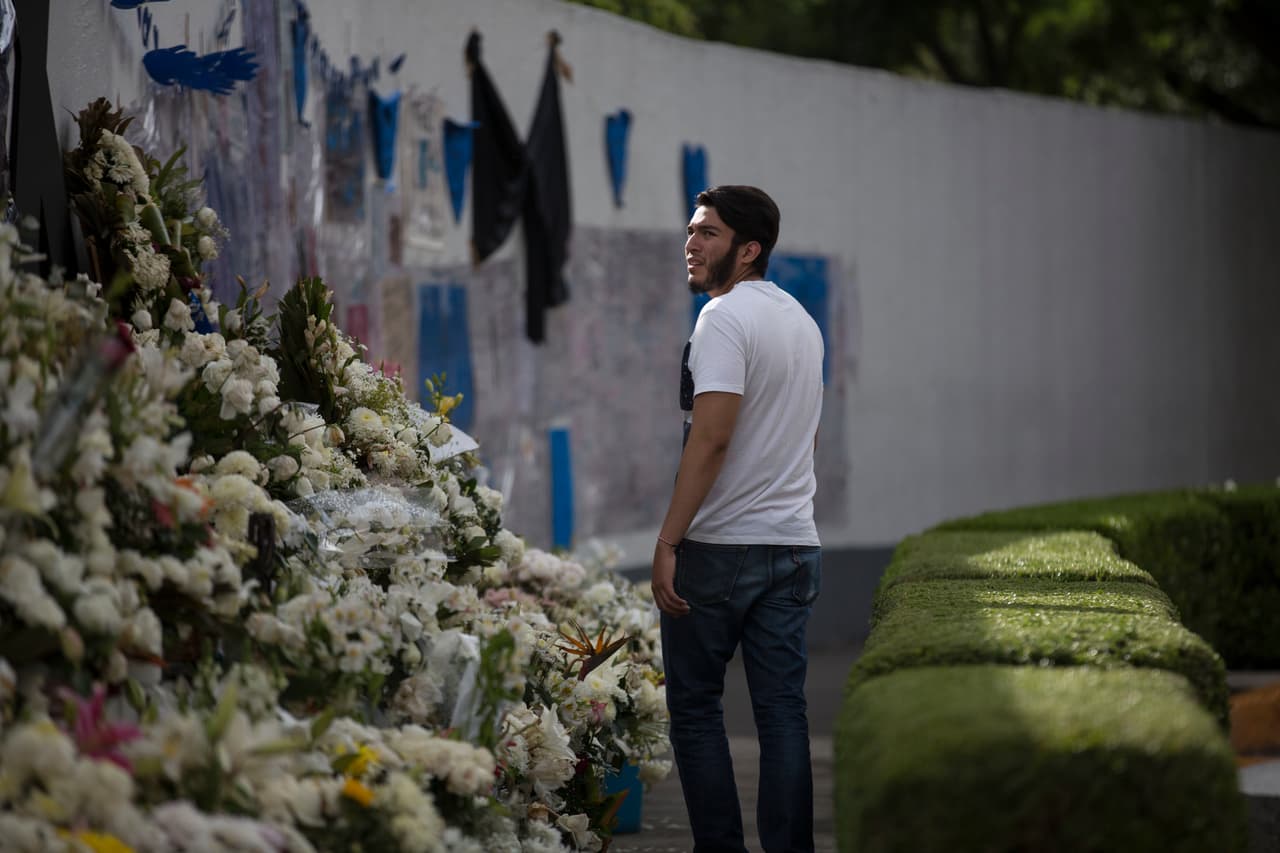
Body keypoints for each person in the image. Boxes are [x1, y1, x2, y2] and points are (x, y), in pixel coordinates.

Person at [652, 185, 824, 853]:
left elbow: (711, 437)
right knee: (783, 714)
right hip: (794, 546)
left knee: (696, 710)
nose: (691, 245)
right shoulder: (801, 322)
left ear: (748, 250)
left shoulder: (722, 319)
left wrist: (668, 540)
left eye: (709, 234)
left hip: (719, 548)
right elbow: (807, 436)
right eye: (691, 231)